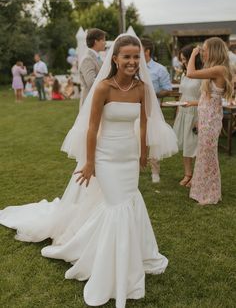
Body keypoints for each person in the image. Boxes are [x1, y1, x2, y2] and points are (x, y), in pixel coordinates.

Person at [0, 34, 178, 308]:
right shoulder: (104, 87)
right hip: (106, 157)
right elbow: (92, 127)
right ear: (115, 58)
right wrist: (91, 162)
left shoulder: (142, 88)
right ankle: (110, 268)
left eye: (135, 56)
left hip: (129, 157)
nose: (132, 61)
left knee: (129, 202)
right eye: (126, 56)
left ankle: (133, 255)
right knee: (116, 206)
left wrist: (143, 152)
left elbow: (144, 122)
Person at [186, 37, 233, 205]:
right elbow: (208, 98)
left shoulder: (220, 69)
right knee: (204, 155)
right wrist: (192, 103)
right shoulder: (215, 69)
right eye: (201, 50)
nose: (202, 52)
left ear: (213, 51)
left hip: (211, 118)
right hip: (207, 116)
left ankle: (210, 195)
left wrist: (192, 54)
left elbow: (190, 73)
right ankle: (202, 190)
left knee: (209, 156)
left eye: (205, 50)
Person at [141, 38, 172, 183]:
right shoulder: (133, 67)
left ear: (147, 51)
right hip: (135, 109)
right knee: (134, 139)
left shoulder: (160, 69)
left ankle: (155, 172)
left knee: (153, 140)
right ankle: (135, 169)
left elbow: (167, 90)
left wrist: (153, 93)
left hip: (153, 111)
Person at [173, 44, 202, 187]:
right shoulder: (185, 74)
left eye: (185, 59)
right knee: (185, 144)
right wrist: (178, 112)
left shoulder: (203, 74)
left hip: (196, 112)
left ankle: (197, 175)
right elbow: (182, 95)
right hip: (184, 112)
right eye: (182, 60)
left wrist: (194, 105)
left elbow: (207, 98)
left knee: (195, 145)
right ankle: (187, 174)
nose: (183, 63)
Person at [79, 28, 106, 106]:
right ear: (96, 41)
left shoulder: (97, 57)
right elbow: (91, 82)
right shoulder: (87, 59)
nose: (105, 43)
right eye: (103, 40)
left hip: (97, 100)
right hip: (90, 102)